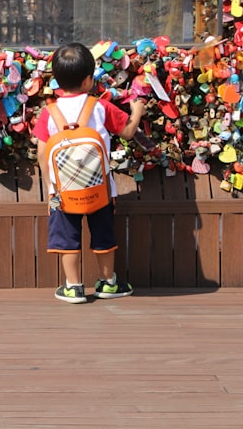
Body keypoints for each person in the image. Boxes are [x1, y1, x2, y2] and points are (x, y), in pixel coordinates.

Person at [32, 42, 146, 304]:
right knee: (103, 235)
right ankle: (108, 283)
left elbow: (41, 152)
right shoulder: (99, 107)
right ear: (87, 80)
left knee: (67, 239)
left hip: (62, 192)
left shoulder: (48, 113)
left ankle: (73, 287)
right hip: (101, 190)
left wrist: (51, 185)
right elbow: (127, 132)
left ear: (57, 81)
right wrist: (137, 112)